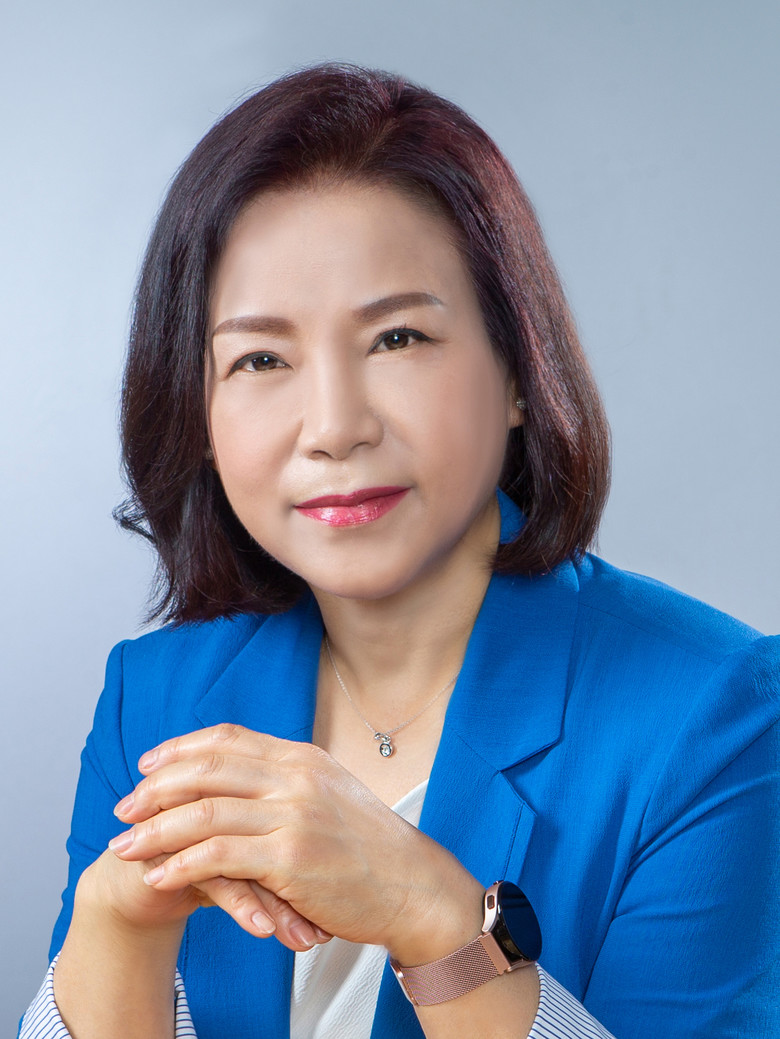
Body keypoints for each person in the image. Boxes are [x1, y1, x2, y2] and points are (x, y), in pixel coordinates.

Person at [19, 62, 779, 1039]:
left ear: (519, 370)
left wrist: (433, 917)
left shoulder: (712, 716)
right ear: (199, 414)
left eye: (398, 339)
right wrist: (118, 929)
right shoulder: (154, 701)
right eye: (261, 357)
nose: (335, 426)